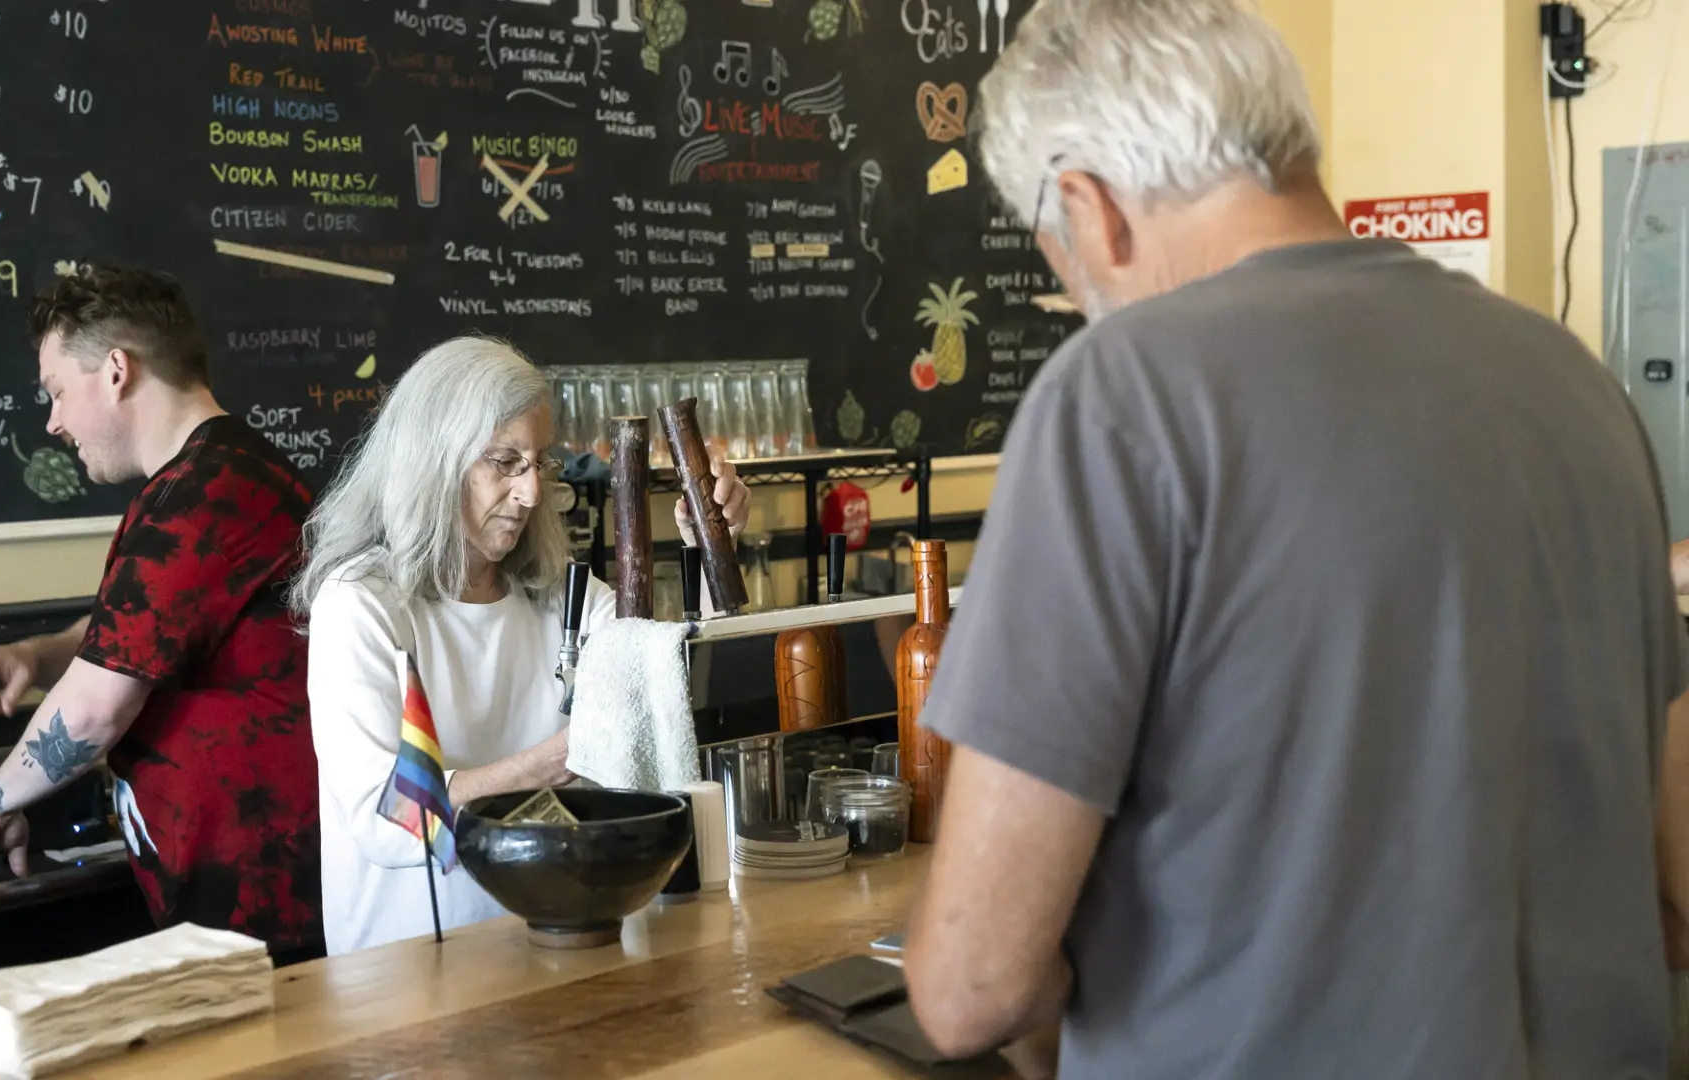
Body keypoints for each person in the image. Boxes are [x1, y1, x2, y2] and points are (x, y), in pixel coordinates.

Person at [902, 2, 1689, 1078]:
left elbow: (971, 986)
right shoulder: (1578, 387)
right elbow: (1679, 885)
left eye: (1056, 252)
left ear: (1089, 208)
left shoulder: (1119, 398)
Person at [291, 336, 751, 956]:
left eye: (540, 464)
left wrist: (709, 550)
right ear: (433, 460)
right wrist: (566, 756)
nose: (532, 495)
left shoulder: (563, 596)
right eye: (504, 462)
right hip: (407, 973)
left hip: (556, 947)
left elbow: (670, 681)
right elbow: (390, 820)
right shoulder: (360, 603)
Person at [0, 265, 325, 964]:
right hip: (238, 881)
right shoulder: (215, 472)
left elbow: (93, 711)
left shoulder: (207, 495)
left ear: (116, 370)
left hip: (264, 895)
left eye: (56, 392)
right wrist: (39, 655)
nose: (52, 420)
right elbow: (141, 632)